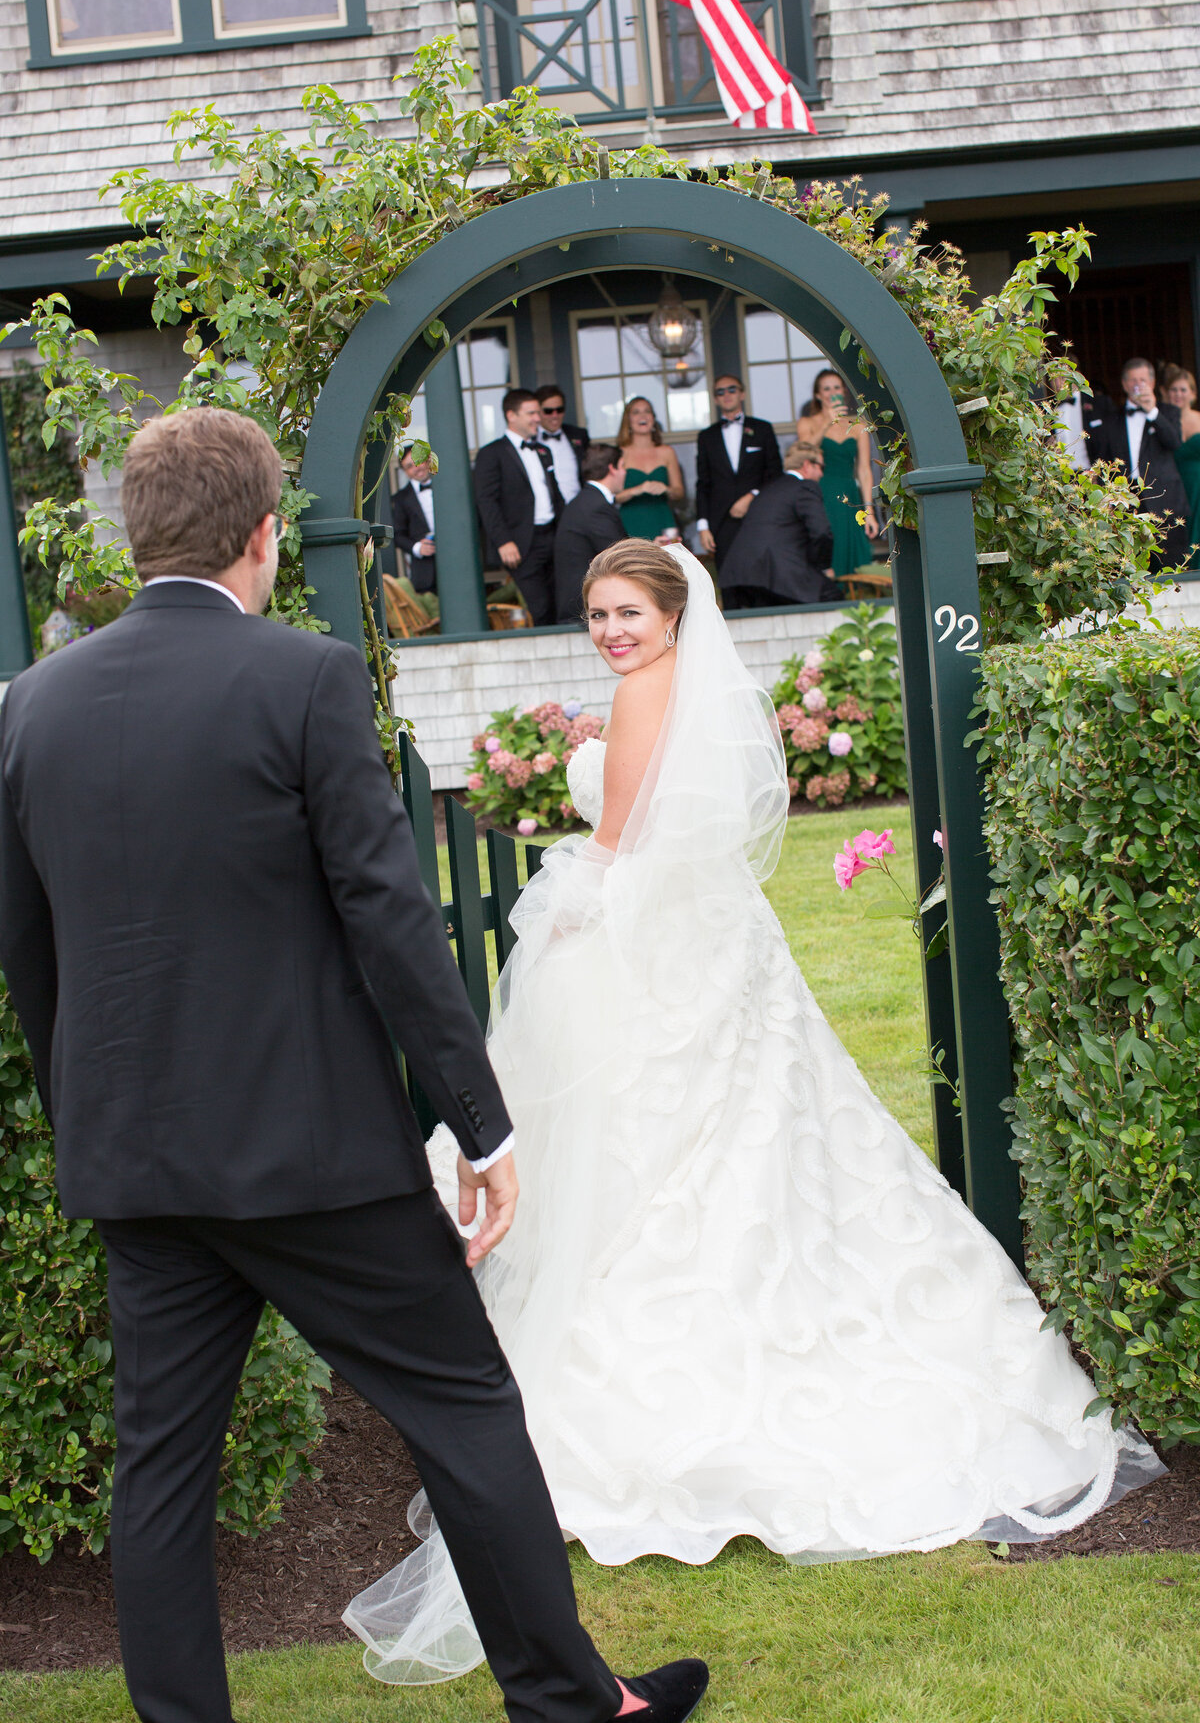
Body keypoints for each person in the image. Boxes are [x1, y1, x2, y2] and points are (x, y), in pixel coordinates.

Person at [347, 537, 1163, 1684]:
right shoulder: (699, 691)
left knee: (664, 1153)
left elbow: (622, 847)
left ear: (676, 613)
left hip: (658, 956)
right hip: (718, 945)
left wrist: (561, 913)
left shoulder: (643, 693)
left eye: (628, 610)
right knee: (755, 1143)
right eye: (597, 612)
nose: (612, 630)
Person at [0, 410, 707, 1723]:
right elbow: (393, 922)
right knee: (465, 1409)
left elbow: (30, 955)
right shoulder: (308, 681)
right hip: (314, 1155)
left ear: (135, 535)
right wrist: (482, 1129)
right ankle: (571, 1706)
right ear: (265, 535)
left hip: (142, 1165)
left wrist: (91, 1124)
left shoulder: (29, 707)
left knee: (159, 1475)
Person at [1086, 356, 1190, 570]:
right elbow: (1102, 460)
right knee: (1128, 564)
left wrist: (1153, 412)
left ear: (1152, 383)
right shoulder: (1111, 420)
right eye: (1133, 380)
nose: (1137, 385)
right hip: (1127, 500)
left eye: (1142, 380)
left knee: (1170, 563)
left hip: (1163, 500)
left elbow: (1174, 442)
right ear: (1124, 385)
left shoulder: (1167, 412)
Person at [474, 388, 564, 626]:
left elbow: (555, 496)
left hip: (553, 535)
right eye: (531, 413)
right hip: (522, 542)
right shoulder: (491, 453)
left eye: (538, 412)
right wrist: (503, 541)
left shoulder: (542, 450)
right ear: (511, 415)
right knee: (539, 606)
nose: (538, 418)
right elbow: (486, 501)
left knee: (562, 601)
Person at [718, 442, 843, 610]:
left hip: (741, 574)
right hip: (778, 572)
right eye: (821, 467)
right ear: (807, 465)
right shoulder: (805, 487)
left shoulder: (769, 488)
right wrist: (824, 567)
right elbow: (821, 532)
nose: (821, 474)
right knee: (834, 598)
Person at [694, 374, 782, 567]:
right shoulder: (706, 437)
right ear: (715, 399)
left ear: (742, 394)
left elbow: (775, 474)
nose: (727, 394)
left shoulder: (763, 429)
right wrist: (703, 527)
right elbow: (703, 483)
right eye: (720, 391)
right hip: (721, 523)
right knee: (729, 580)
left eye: (732, 389)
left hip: (759, 516)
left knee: (761, 578)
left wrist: (752, 496)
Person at [802, 368, 877, 578]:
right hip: (821, 493)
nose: (832, 392)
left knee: (853, 548)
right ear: (818, 395)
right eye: (826, 388)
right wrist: (827, 421)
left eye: (836, 387)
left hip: (848, 493)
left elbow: (863, 470)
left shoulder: (858, 426)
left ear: (843, 391)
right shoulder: (808, 423)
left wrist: (869, 511)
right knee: (827, 544)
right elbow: (804, 454)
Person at [555, 443, 628, 623]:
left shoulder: (586, 501)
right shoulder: (595, 506)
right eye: (623, 466)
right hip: (586, 608)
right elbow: (619, 555)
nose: (626, 472)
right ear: (612, 468)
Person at [613, 397, 684, 540]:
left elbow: (679, 492)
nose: (643, 416)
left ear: (653, 418)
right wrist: (637, 490)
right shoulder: (619, 454)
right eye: (636, 412)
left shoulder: (667, 452)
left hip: (663, 520)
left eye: (647, 411)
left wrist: (666, 489)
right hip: (630, 523)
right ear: (628, 420)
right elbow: (613, 497)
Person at [1162, 363, 1200, 556]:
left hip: (1198, 486)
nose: (1178, 394)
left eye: (1183, 390)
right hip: (1173, 488)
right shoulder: (1161, 422)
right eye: (1174, 389)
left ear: (1192, 394)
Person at [390, 446, 437, 594]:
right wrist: (417, 547)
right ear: (405, 471)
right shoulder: (400, 499)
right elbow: (397, 535)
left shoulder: (448, 486)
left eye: (418, 461)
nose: (416, 468)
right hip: (425, 574)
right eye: (409, 466)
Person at [1048, 372, 1110, 472]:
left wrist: (1098, 473)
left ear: (1077, 376)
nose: (1058, 383)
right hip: (1060, 475)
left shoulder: (1099, 403)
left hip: (1091, 473)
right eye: (1053, 378)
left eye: (1063, 378)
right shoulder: (1047, 409)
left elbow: (1110, 441)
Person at [538, 384, 589, 506]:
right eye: (548, 411)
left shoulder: (578, 435)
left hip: (577, 508)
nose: (555, 415)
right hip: (546, 514)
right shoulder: (530, 440)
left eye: (559, 410)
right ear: (538, 412)